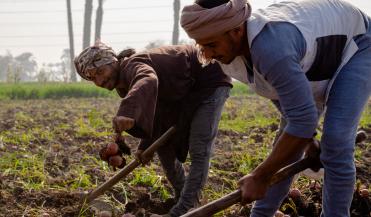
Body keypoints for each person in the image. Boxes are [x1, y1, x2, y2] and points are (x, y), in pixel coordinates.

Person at [180, 0, 371, 216]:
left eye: (212, 45)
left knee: (336, 141)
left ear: (236, 31)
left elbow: (304, 120)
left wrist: (260, 176)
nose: (207, 53)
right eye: (201, 45)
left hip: (357, 44)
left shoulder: (271, 48)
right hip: (315, 61)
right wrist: (304, 140)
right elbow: (281, 99)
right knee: (287, 144)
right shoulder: (228, 55)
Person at [74, 41, 232, 217]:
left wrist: (127, 111)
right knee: (163, 147)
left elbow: (148, 79)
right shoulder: (122, 83)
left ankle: (186, 208)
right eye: (92, 78)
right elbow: (157, 110)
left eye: (100, 72)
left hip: (209, 78)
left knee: (199, 147)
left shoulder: (131, 66)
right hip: (183, 92)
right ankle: (182, 196)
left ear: (113, 62)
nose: (99, 80)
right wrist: (145, 147)